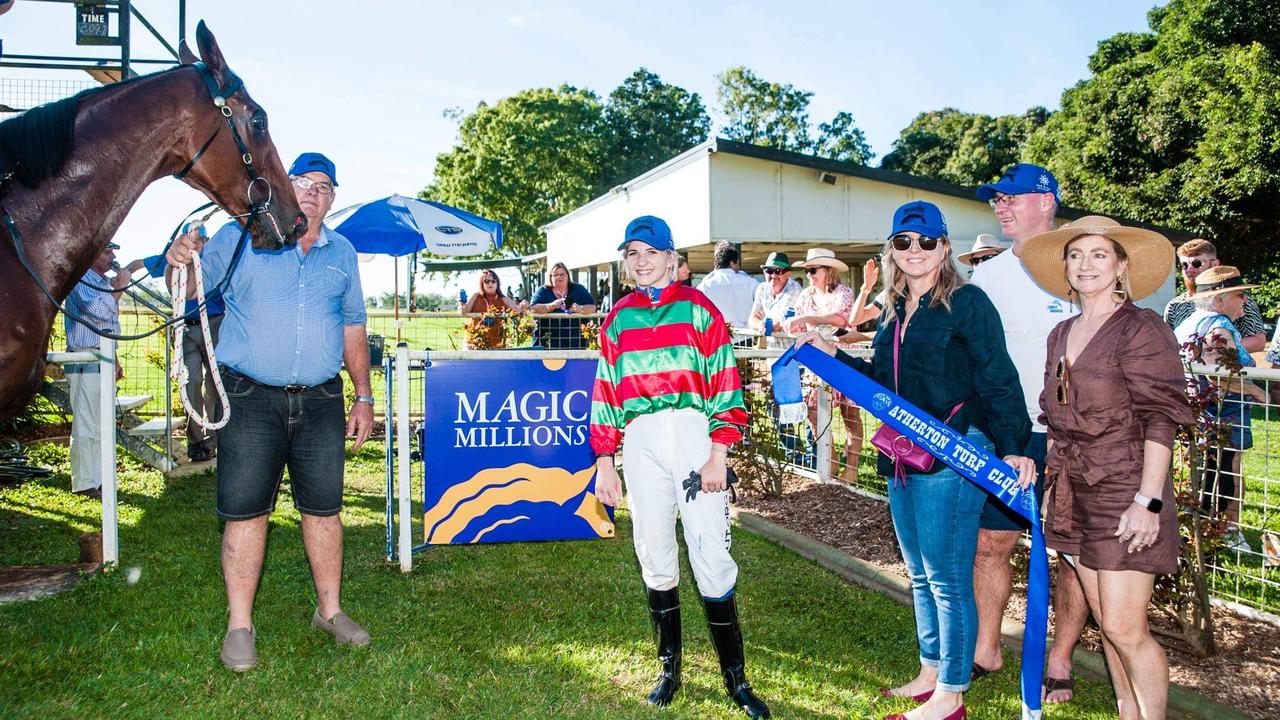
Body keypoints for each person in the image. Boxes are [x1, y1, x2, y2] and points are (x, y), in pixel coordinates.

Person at [795, 200, 1033, 720]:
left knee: (948, 576)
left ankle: (951, 694)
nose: (915, 251)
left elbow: (997, 375)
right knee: (921, 575)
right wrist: (833, 355)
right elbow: (885, 383)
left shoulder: (968, 303)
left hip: (954, 453)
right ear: (892, 248)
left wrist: (1014, 445)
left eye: (927, 242)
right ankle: (930, 672)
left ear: (945, 248)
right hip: (903, 454)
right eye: (904, 242)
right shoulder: (896, 310)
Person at [165, 152, 374, 671]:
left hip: (323, 400)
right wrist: (182, 256)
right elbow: (193, 289)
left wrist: (364, 396)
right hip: (252, 398)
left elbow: (353, 328)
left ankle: (329, 611)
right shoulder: (241, 236)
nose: (313, 193)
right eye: (303, 182)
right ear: (283, 185)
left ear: (333, 199)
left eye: (325, 187)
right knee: (246, 511)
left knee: (324, 511)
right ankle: (240, 625)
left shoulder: (342, 253)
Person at [591, 215, 770, 719]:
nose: (642, 261)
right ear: (625, 263)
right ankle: (669, 668)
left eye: (652, 252)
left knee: (710, 550)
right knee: (653, 547)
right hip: (641, 439)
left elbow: (726, 382)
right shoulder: (618, 319)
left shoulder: (698, 309)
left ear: (673, 259)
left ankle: (736, 679)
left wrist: (719, 453)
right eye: (633, 254)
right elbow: (605, 391)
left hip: (694, 437)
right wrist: (605, 459)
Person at [1022, 215, 1193, 720]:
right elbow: (1054, 416)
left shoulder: (1143, 328)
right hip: (1074, 491)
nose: (1086, 265)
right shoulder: (1061, 332)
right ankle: (1128, 712)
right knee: (1104, 620)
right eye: (1076, 255)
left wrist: (1148, 501)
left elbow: (1161, 418)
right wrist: (1054, 486)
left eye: (1099, 254)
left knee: (1124, 628)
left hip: (1126, 490)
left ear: (1121, 266)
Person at [970, 163, 1088, 701]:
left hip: (1080, 437)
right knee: (992, 542)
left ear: (1047, 200)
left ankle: (1059, 659)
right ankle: (986, 650)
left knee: (1073, 552)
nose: (1000, 206)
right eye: (996, 199)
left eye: (1011, 198)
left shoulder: (1085, 265)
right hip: (1012, 435)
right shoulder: (989, 275)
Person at [1172, 266, 1267, 554]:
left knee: (1207, 471)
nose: (1245, 301)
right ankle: (1225, 532)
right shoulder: (1219, 327)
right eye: (1240, 294)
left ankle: (1203, 531)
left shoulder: (1189, 323)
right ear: (1219, 299)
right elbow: (1218, 373)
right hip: (1223, 411)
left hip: (1201, 410)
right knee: (1226, 470)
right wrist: (1254, 390)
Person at [126, 226, 225, 462]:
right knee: (190, 383)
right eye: (191, 238)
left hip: (214, 324)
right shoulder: (178, 256)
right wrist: (121, 274)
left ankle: (214, 440)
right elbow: (139, 264)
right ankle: (196, 443)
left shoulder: (214, 257)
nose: (195, 243)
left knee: (214, 385)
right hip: (185, 327)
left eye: (199, 238)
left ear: (207, 239)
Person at [786, 248, 865, 477]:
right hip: (816, 364)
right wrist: (795, 324)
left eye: (813, 270)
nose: (809, 275)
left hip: (843, 359)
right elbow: (799, 324)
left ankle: (851, 469)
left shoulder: (843, 292)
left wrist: (807, 319)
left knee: (850, 414)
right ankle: (829, 464)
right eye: (807, 271)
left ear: (828, 271)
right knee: (814, 412)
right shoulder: (805, 296)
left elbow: (842, 319)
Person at [64, 241, 129, 499]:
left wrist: (114, 357)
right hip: (85, 359)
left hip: (103, 357)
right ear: (91, 255)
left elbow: (109, 325)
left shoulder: (103, 283)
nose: (112, 256)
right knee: (86, 421)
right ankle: (84, 482)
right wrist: (120, 287)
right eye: (107, 251)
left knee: (102, 422)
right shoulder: (81, 280)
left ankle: (100, 479)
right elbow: (99, 314)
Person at [1163, 239, 1266, 353]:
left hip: (1227, 367)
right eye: (1184, 265)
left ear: (1215, 264)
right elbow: (1167, 343)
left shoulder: (1240, 299)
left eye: (1197, 263)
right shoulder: (1174, 305)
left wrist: (1215, 349)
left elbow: (1258, 342)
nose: (1189, 269)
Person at [529, 262, 596, 349]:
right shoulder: (543, 291)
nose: (559, 277)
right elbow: (532, 308)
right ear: (550, 277)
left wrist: (580, 309)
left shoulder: (578, 289)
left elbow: (592, 308)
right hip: (546, 344)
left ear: (567, 276)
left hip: (575, 343)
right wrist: (551, 306)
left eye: (562, 274)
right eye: (555, 275)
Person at [696, 240, 759, 328]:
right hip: (746, 337)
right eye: (737, 263)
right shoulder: (750, 282)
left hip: (719, 338)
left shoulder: (704, 286)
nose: (739, 267)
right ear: (732, 263)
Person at [460, 269, 524, 349]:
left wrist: (523, 306)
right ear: (482, 284)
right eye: (486, 281)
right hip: (473, 343)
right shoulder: (476, 297)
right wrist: (461, 306)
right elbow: (464, 312)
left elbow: (519, 311)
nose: (490, 283)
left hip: (496, 345)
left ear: (497, 283)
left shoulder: (504, 299)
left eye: (493, 281)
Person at [746, 251, 802, 340]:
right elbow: (751, 320)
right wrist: (760, 325)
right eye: (769, 270)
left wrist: (763, 323)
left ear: (788, 274)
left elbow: (780, 324)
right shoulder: (762, 288)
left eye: (778, 271)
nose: (773, 275)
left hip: (790, 349)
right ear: (764, 272)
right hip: (769, 348)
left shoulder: (795, 289)